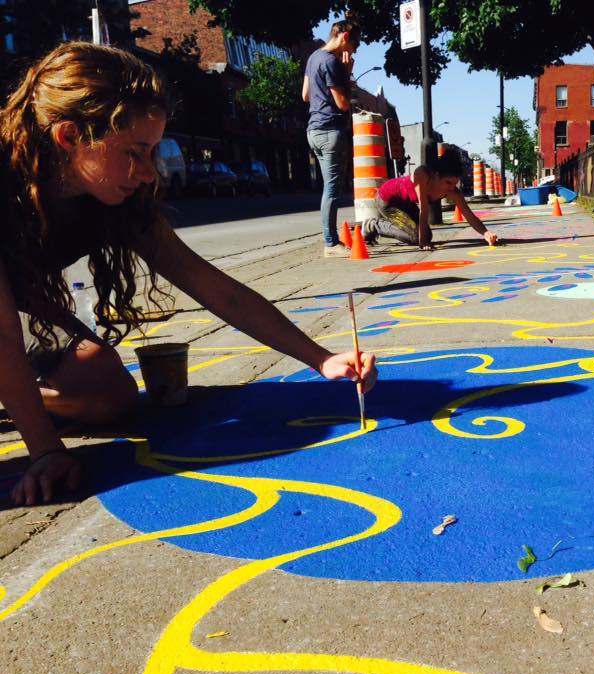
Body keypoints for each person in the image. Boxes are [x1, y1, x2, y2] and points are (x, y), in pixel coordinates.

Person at [0, 42, 377, 506]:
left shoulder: (117, 198)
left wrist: (319, 358)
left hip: (16, 302)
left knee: (110, 391)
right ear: (70, 137)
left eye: (154, 152)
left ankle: (12, 397)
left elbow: (211, 285)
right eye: (135, 152)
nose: (148, 172)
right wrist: (43, 452)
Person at [302, 17, 360, 258]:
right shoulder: (332, 63)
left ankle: (331, 240)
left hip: (313, 131)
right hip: (330, 130)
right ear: (345, 37)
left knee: (330, 188)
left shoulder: (313, 58)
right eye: (354, 46)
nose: (353, 52)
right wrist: (347, 74)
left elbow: (305, 95)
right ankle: (331, 243)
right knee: (333, 189)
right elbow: (343, 103)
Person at [363, 154, 499, 251]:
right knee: (417, 238)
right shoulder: (422, 174)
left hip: (407, 203)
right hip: (388, 200)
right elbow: (423, 209)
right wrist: (422, 243)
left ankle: (387, 228)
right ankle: (374, 225)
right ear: (437, 175)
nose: (451, 187)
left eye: (455, 183)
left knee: (427, 235)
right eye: (448, 182)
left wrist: (485, 233)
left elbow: (469, 215)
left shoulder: (452, 191)